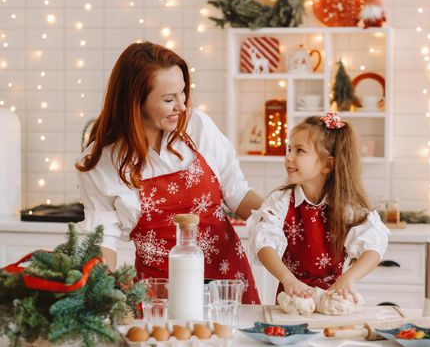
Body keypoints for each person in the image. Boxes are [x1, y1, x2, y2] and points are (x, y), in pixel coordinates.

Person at [75, 41, 262, 304]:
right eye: (168, 99)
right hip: (159, 294)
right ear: (134, 102)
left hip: (227, 285)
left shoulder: (198, 127)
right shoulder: (102, 162)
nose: (182, 106)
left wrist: (287, 217)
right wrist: (101, 293)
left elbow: (238, 194)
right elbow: (102, 238)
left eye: (183, 93)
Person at [247, 113, 389, 301]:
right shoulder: (280, 201)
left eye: (299, 151)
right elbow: (263, 243)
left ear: (327, 164)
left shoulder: (348, 205)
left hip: (332, 297)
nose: (288, 157)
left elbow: (374, 247)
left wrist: (348, 279)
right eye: (289, 149)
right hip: (292, 296)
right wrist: (288, 279)